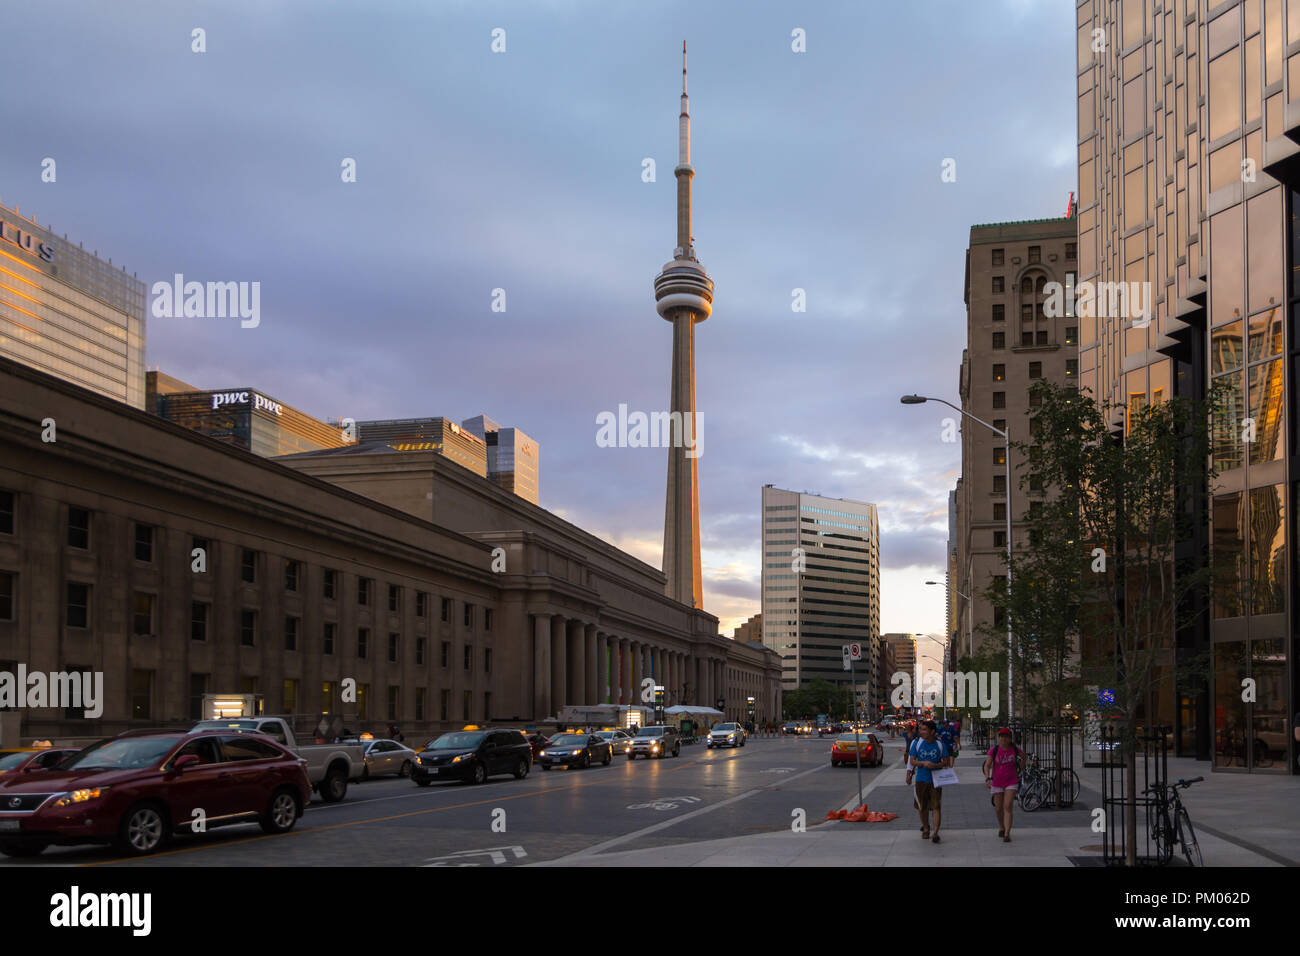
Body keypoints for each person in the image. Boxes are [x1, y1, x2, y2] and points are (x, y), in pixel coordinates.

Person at [906, 719, 951, 843]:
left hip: (936, 780)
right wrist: (922, 763)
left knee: (936, 806)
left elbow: (946, 762)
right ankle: (926, 828)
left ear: (932, 731)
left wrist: (935, 765)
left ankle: (935, 832)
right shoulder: (917, 744)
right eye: (920, 729)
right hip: (921, 779)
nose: (921, 732)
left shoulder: (940, 745)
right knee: (922, 807)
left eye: (924, 729)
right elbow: (912, 761)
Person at [983, 728, 1025, 842]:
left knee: (1007, 805)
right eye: (1001, 736)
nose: (1003, 739)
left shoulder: (1015, 749)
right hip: (997, 782)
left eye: (1006, 737)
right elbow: (987, 765)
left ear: (1010, 739)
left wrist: (1021, 769)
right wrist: (987, 778)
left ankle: (1007, 833)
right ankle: (1001, 826)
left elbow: (1023, 757)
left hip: (1011, 781)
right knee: (998, 808)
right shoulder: (994, 750)